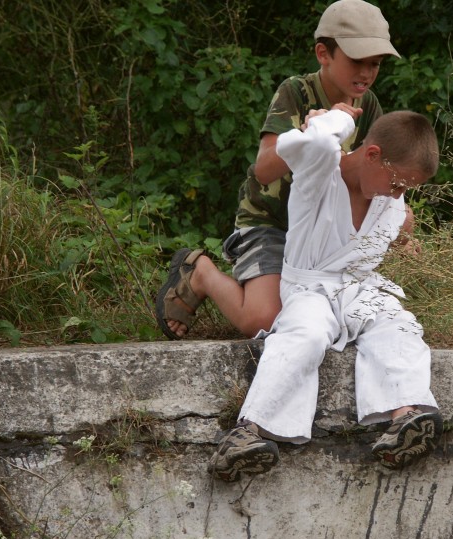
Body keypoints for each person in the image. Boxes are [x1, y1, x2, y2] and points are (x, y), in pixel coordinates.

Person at [208, 107, 443, 482]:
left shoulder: (389, 201)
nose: (399, 194)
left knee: (398, 324)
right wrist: (337, 118)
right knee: (307, 335)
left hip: (358, 288)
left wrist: (403, 236)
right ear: (372, 154)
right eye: (398, 183)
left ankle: (406, 417)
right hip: (308, 287)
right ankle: (247, 432)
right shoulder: (321, 173)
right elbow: (316, 140)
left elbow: (393, 224)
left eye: (405, 189)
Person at [155, 0, 409, 340]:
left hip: (321, 235)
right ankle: (200, 273)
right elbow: (264, 169)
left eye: (374, 63)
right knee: (262, 320)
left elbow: (371, 175)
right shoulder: (296, 92)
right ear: (323, 53)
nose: (366, 72)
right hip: (272, 222)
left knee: (345, 316)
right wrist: (309, 135)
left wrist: (395, 219)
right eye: (356, 61)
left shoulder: (369, 105)